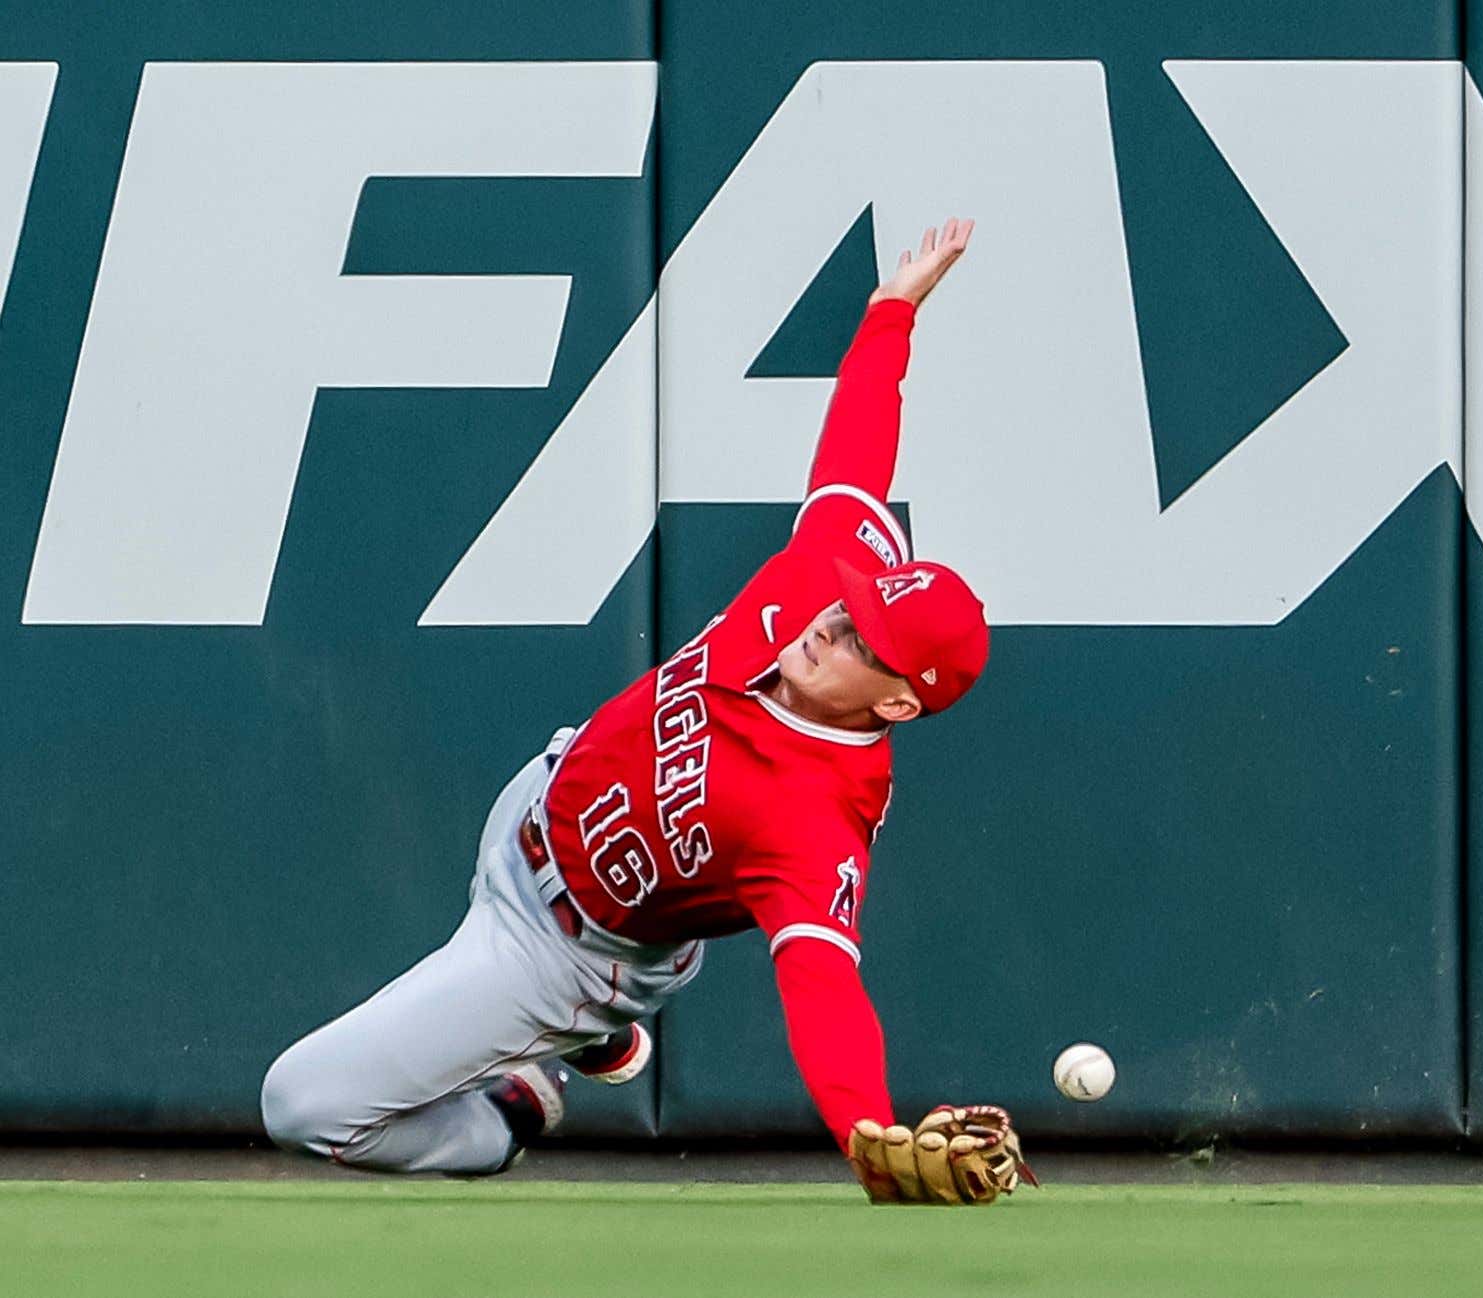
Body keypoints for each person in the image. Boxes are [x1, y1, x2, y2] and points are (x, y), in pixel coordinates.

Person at [261, 219, 1030, 1204]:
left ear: (896, 699)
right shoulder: (822, 577)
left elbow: (825, 993)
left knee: (303, 1106)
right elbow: (856, 451)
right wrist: (890, 316)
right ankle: (599, 1041)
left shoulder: (817, 817)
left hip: (559, 951)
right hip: (540, 794)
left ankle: (503, 1114)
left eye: (862, 638)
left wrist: (864, 1127)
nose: (834, 619)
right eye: (854, 603)